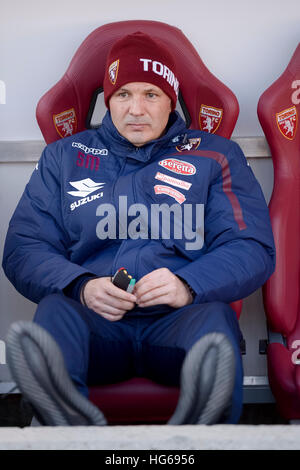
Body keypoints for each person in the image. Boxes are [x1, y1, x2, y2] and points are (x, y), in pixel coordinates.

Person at [2, 31, 275, 426]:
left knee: (216, 329)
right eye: (123, 95)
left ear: (171, 101)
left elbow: (251, 246)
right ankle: (69, 427)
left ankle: (201, 429)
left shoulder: (215, 155)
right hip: (96, 323)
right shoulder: (65, 157)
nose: (135, 109)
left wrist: (188, 284)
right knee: (53, 314)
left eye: (151, 94)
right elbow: (24, 246)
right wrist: (80, 285)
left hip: (179, 321)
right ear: (108, 102)